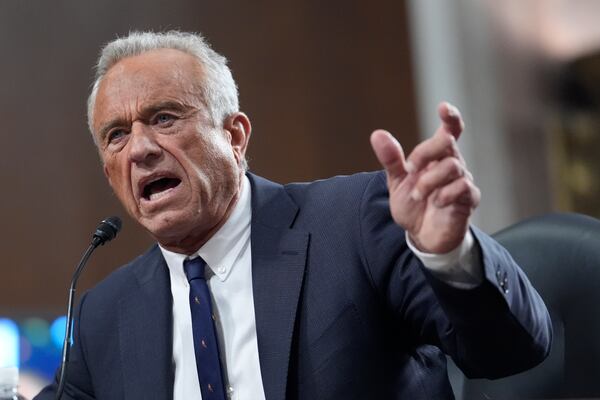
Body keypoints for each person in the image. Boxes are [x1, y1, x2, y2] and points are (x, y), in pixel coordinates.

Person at [35, 31, 551, 400]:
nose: (140, 149)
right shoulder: (105, 314)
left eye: (164, 118)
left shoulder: (354, 224)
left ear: (234, 137)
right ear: (110, 173)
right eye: (116, 135)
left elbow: (510, 352)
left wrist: (448, 256)